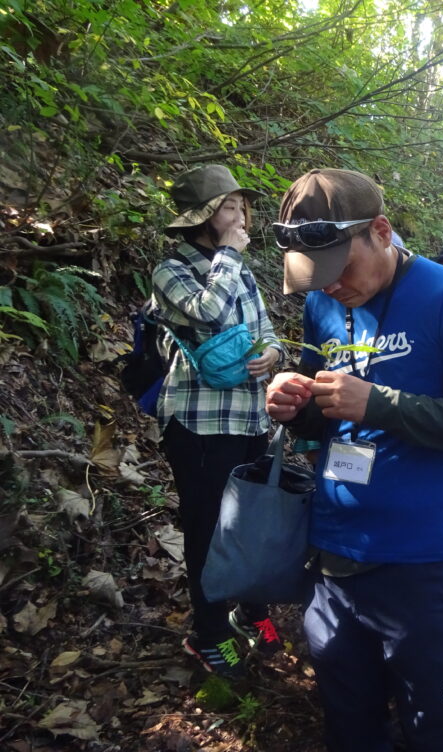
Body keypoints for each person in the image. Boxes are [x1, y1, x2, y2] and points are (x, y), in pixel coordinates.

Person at [265, 168, 443, 752]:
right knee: (349, 725)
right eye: (316, 275)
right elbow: (325, 413)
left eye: (339, 268)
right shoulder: (322, 302)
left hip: (421, 559)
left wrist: (378, 403)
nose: (331, 286)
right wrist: (294, 406)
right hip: (334, 552)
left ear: (379, 231)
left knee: (434, 729)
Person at [150, 164, 285, 678]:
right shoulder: (171, 270)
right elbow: (206, 312)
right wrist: (228, 254)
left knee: (250, 524)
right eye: (229, 206)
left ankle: (253, 612)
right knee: (207, 529)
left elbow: (266, 329)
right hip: (200, 423)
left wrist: (272, 354)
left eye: (241, 205)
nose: (241, 214)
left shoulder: (240, 268)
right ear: (203, 216)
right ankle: (208, 634)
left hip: (249, 418)